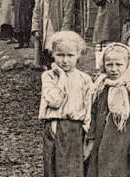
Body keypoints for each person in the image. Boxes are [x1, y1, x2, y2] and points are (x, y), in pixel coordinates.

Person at [39, 31, 93, 177]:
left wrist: (88, 135)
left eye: (70, 56)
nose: (65, 60)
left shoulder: (85, 79)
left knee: (72, 170)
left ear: (78, 55)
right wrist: (61, 77)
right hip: (55, 126)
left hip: (75, 128)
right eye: (60, 55)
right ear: (53, 55)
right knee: (52, 168)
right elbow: (54, 101)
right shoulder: (49, 76)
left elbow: (89, 108)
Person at [85, 43, 130, 177]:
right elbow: (92, 114)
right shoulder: (100, 87)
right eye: (109, 65)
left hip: (123, 143)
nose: (114, 69)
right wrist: (91, 138)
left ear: (128, 65)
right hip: (101, 141)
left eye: (119, 65)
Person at [32, 0, 75, 68]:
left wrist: (63, 34)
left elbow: (68, 16)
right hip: (44, 31)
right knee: (46, 57)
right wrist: (36, 28)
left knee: (59, 59)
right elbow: (36, 12)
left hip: (56, 31)